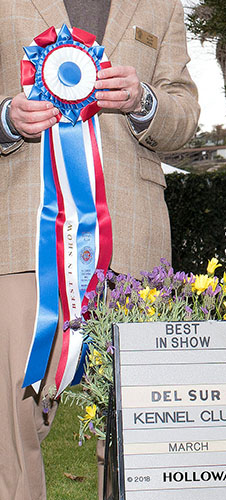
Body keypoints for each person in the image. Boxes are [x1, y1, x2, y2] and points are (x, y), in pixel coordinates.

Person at [0, 1, 199, 498]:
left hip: (133, 240)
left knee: (139, 430)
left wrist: (145, 102)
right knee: (8, 423)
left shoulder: (162, 6)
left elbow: (185, 115)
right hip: (25, 235)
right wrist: (6, 118)